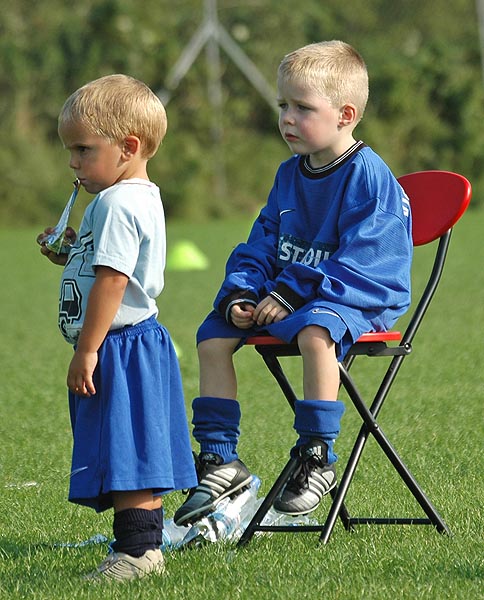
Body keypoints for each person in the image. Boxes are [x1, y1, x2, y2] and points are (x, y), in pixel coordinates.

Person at [174, 40, 412, 526]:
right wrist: (244, 292)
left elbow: (368, 260)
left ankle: (316, 456)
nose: (287, 117)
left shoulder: (368, 175)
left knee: (315, 332)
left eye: (303, 107)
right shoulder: (288, 175)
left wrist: (289, 293)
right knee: (214, 333)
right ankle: (221, 461)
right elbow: (261, 243)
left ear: (346, 114)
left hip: (359, 297)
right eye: (283, 105)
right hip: (296, 297)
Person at [37, 74, 197, 581]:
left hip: (119, 344)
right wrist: (65, 252)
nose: (73, 162)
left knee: (128, 447)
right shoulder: (134, 196)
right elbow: (100, 267)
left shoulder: (114, 204)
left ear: (128, 147)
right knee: (130, 443)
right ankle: (140, 543)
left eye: (84, 149)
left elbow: (112, 280)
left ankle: (139, 553)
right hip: (131, 342)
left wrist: (88, 349)